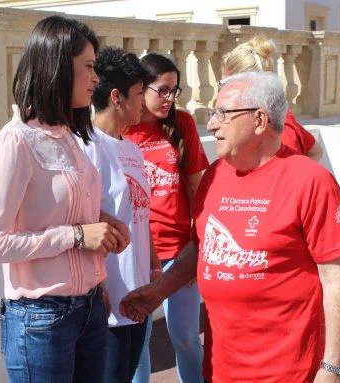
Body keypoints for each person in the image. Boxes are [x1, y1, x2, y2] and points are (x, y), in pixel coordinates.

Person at [121, 71, 340, 383]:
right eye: (213, 113)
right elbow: (203, 245)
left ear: (260, 120)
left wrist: (333, 368)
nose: (213, 124)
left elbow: (335, 279)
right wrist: (159, 291)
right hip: (221, 369)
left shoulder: (310, 181)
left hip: (288, 372)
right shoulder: (215, 175)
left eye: (223, 113)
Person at [0, 16, 130, 383]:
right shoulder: (16, 142)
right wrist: (76, 235)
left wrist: (103, 222)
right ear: (58, 66)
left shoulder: (69, 136)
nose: (96, 78)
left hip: (90, 308)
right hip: (40, 320)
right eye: (89, 67)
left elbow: (64, 209)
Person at [75, 46, 162, 383]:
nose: (144, 102)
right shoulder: (86, 147)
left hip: (137, 297)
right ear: (116, 97)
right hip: (107, 303)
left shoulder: (132, 148)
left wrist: (154, 270)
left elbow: (142, 216)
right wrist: (99, 290)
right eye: (140, 94)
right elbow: (80, 221)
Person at [123, 53, 209, 383]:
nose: (170, 99)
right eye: (163, 90)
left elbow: (197, 189)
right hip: (138, 254)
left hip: (178, 252)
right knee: (138, 341)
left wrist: (194, 249)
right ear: (140, 88)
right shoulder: (122, 130)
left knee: (186, 337)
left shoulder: (180, 124)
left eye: (176, 90)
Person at [222, 36, 323, 161]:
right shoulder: (280, 116)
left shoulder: (279, 129)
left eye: (225, 83)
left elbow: (311, 154)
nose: (222, 90)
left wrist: (305, 178)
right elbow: (315, 150)